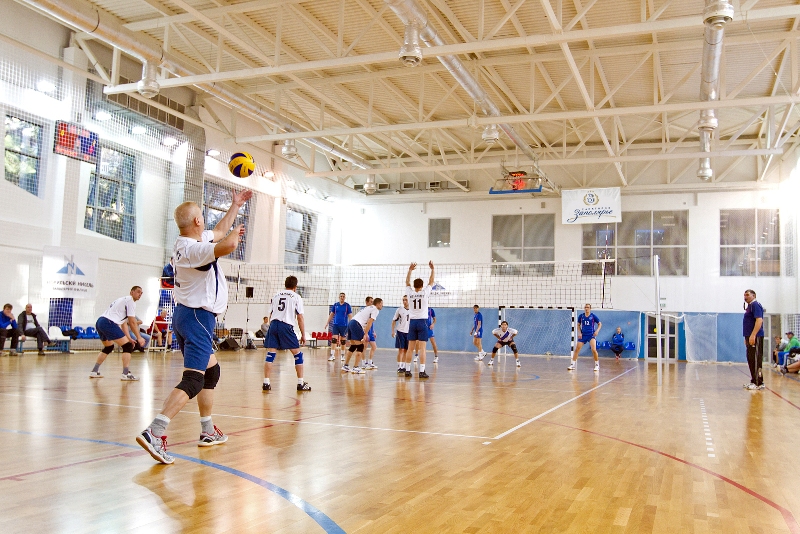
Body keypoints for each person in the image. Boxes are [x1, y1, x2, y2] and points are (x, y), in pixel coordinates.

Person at [136, 188, 251, 464]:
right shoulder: (194, 250)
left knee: (211, 372)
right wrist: (236, 233)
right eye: (202, 214)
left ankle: (207, 431)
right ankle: (155, 432)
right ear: (198, 221)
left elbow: (219, 231)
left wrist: (235, 205)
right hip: (198, 317)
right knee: (193, 380)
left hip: (189, 316)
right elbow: (227, 244)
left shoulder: (190, 242)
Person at [263, 275, 310, 392]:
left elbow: (270, 314)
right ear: (295, 286)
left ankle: (266, 383)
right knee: (298, 355)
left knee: (271, 354)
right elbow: (300, 317)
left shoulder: (276, 295)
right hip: (286, 325)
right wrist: (303, 334)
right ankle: (300, 383)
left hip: (273, 325)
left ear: (285, 284)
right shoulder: (296, 297)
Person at [90, 287, 146, 380]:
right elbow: (132, 322)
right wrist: (139, 337)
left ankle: (94, 371)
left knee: (109, 347)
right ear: (131, 292)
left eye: (141, 293)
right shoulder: (130, 301)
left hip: (100, 322)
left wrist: (129, 338)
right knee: (128, 346)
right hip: (108, 323)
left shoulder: (123, 300)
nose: (140, 294)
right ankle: (125, 374)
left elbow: (124, 324)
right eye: (138, 292)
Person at [405, 262, 434, 379]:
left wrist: (410, 270)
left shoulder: (410, 293)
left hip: (412, 322)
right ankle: (421, 372)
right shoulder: (425, 292)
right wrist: (432, 269)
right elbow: (431, 281)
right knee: (422, 349)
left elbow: (407, 282)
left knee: (410, 348)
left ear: (414, 286)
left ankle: (407, 370)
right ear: (422, 286)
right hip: (422, 322)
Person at [343, 298, 383, 374]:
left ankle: (345, 365)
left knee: (353, 346)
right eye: (381, 304)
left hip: (351, 323)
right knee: (360, 346)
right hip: (357, 324)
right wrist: (365, 334)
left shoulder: (368, 308)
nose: (382, 305)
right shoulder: (375, 309)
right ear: (378, 304)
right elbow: (370, 322)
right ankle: (355, 367)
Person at [568, 304, 602, 372]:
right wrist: (580, 333)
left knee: (593, 349)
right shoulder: (581, 316)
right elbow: (578, 325)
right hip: (583, 335)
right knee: (577, 349)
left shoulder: (593, 316)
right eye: (585, 307)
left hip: (591, 335)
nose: (586, 308)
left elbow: (600, 324)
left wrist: (597, 331)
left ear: (590, 308)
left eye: (588, 307)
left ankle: (597, 365)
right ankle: (572, 364)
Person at [742, 289, 765, 390]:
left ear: (754, 296)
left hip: (756, 336)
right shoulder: (749, 306)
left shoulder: (755, 305)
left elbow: (759, 320)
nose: (745, 297)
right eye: (744, 295)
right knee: (751, 359)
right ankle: (754, 380)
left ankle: (758, 383)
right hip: (749, 337)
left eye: (747, 295)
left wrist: (753, 335)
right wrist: (747, 337)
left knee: (756, 359)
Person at [324, 292, 352, 362]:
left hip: (344, 325)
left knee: (343, 341)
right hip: (336, 325)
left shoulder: (347, 306)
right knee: (334, 340)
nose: (342, 297)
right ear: (339, 297)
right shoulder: (336, 305)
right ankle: (332, 355)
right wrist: (327, 322)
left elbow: (350, 316)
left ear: (345, 298)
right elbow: (331, 314)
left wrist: (351, 324)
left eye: (343, 296)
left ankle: (342, 355)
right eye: (341, 296)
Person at [392, 296, 411, 375]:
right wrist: (393, 331)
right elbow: (394, 320)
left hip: (409, 333)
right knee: (401, 349)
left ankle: (403, 366)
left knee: (406, 350)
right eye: (403, 300)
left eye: (406, 300)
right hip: (400, 332)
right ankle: (399, 366)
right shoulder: (399, 310)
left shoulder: (413, 310)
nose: (404, 301)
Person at [363, 296, 378, 370]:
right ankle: (364, 363)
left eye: (373, 302)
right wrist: (365, 333)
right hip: (365, 331)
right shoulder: (365, 311)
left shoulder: (372, 311)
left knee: (374, 347)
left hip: (370, 331)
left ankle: (370, 362)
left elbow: (371, 323)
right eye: (371, 302)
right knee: (364, 347)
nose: (372, 303)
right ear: (366, 302)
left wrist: (373, 331)